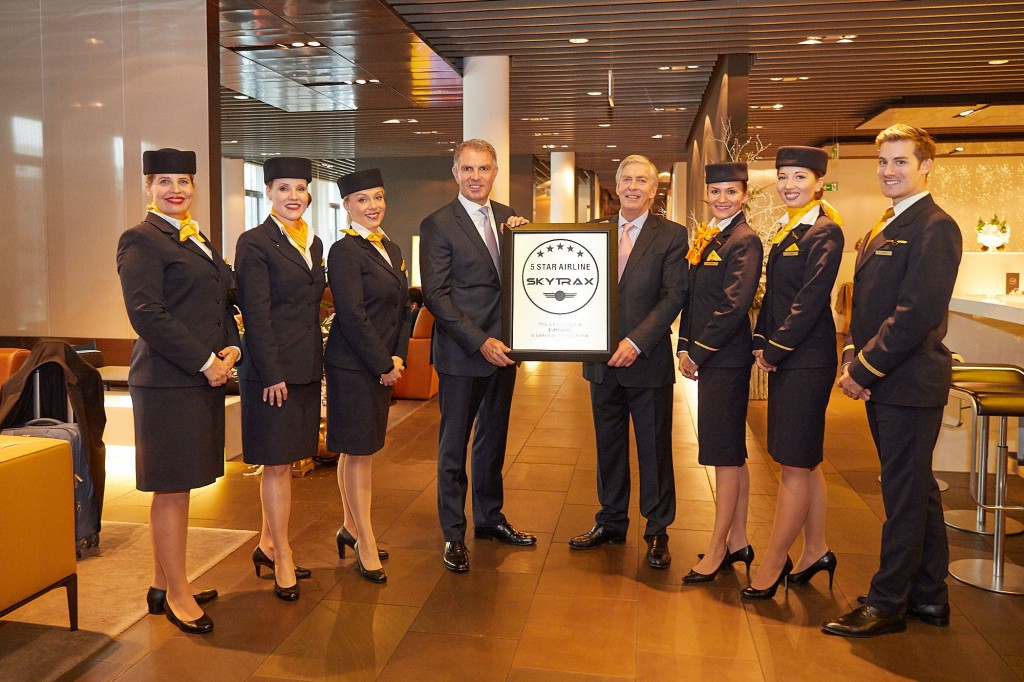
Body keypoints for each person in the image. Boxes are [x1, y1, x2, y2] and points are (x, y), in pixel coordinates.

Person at [824, 124, 961, 637]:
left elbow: (915, 314)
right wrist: (852, 353)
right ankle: (928, 595)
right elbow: (869, 304)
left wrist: (862, 370)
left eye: (901, 161)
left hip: (909, 382)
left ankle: (887, 603)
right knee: (917, 489)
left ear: (926, 166)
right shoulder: (892, 221)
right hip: (890, 380)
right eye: (884, 161)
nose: (889, 171)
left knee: (903, 495)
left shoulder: (935, 226)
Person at [116, 148, 240, 634]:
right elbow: (146, 314)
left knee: (180, 486)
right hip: (167, 382)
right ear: (147, 187)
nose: (175, 189)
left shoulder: (196, 237)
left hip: (197, 378)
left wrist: (231, 348)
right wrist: (206, 361)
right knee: (170, 489)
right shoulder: (141, 239)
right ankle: (177, 594)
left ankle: (161, 583)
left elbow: (221, 301)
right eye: (164, 181)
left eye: (184, 181)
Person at [420, 139, 535, 573]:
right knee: (454, 446)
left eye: (483, 168)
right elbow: (436, 295)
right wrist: (479, 341)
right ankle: (453, 533)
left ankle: (490, 519)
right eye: (467, 169)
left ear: (495, 172)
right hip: (463, 353)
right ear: (455, 173)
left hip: (504, 352)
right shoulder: (438, 224)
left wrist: (527, 238)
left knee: (492, 441)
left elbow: (523, 277)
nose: (475, 177)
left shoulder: (509, 218)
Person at [570, 154, 688, 569]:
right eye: (626, 180)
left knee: (654, 450)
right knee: (609, 447)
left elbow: (674, 295)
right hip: (600, 363)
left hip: (647, 360)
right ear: (616, 185)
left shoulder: (672, 235)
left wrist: (636, 342)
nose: (633, 187)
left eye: (642, 180)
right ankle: (611, 521)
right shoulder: (592, 230)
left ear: (653, 190)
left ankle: (657, 530)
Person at [743, 146, 844, 600]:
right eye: (783, 176)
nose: (789, 185)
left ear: (819, 182)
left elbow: (809, 300)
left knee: (793, 465)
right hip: (791, 356)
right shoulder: (790, 228)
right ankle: (816, 549)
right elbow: (775, 297)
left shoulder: (825, 231)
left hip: (807, 358)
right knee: (805, 459)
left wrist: (775, 349)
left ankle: (773, 561)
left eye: (800, 176)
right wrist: (761, 339)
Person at [235, 156, 325, 601]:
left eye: (301, 188)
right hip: (272, 372)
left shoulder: (314, 242)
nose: (294, 196)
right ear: (268, 191)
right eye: (284, 188)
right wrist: (272, 373)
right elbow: (256, 312)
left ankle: (267, 545)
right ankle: (282, 554)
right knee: (275, 464)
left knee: (287, 462)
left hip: (305, 367)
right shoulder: (254, 242)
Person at [678, 162, 763, 584]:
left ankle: (716, 549)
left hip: (726, 360)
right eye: (716, 191)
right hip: (713, 358)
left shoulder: (744, 240)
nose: (722, 198)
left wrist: (698, 353)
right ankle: (738, 541)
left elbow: (733, 306)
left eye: (731, 191)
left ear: (744, 195)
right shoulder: (711, 235)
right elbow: (693, 298)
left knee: (723, 455)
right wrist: (683, 345)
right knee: (731, 452)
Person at [325, 168, 409, 583]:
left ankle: (351, 528)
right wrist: (383, 363)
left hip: (380, 362)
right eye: (362, 199)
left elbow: (402, 308)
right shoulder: (343, 251)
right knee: (358, 452)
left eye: (378, 197)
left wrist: (399, 357)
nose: (373, 206)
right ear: (347, 206)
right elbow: (352, 316)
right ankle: (367, 541)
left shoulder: (391, 247)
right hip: (353, 365)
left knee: (358, 451)